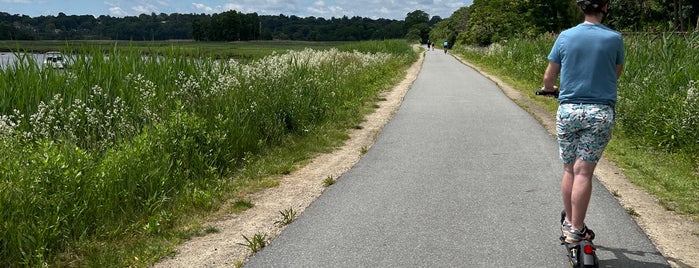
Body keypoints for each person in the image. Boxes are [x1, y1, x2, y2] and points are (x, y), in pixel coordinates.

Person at [539, 0, 624, 244]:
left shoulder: (565, 36)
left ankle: (569, 223)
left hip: (569, 111)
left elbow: (549, 76)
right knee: (584, 172)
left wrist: (549, 89)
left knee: (569, 168)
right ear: (605, 8)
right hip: (599, 113)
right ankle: (577, 228)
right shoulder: (614, 38)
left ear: (581, 9)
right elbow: (615, 73)